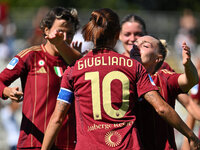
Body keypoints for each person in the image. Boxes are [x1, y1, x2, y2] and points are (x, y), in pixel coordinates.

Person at [41, 8, 200, 150]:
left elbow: (57, 118)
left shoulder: (73, 69)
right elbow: (161, 108)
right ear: (118, 35)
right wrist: (191, 136)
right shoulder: (132, 67)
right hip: (125, 145)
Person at [0, 6, 82, 149]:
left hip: (67, 144)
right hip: (33, 142)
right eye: (60, 30)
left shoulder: (77, 64)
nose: (64, 37)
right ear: (46, 30)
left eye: (69, 33)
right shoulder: (30, 56)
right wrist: (7, 91)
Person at [130, 35, 199, 150]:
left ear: (158, 58)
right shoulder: (120, 76)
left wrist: (187, 65)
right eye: (136, 43)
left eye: (145, 45)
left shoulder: (163, 77)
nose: (137, 47)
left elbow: (191, 80)